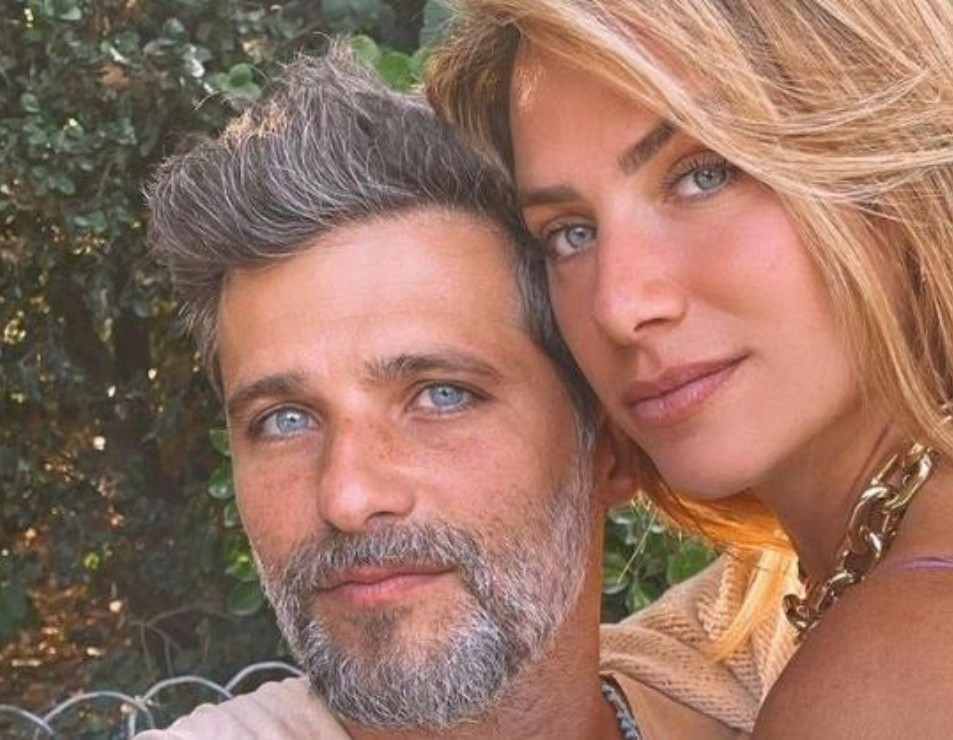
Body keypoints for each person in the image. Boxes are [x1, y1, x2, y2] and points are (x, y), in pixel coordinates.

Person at [424, 2, 953, 736]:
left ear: (889, 173)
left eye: (703, 175)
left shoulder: (897, 682)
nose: (619, 306)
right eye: (568, 233)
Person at [138, 48, 794, 740]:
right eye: (285, 421)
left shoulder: (759, 690)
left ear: (609, 447)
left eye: (441, 396)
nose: (348, 498)